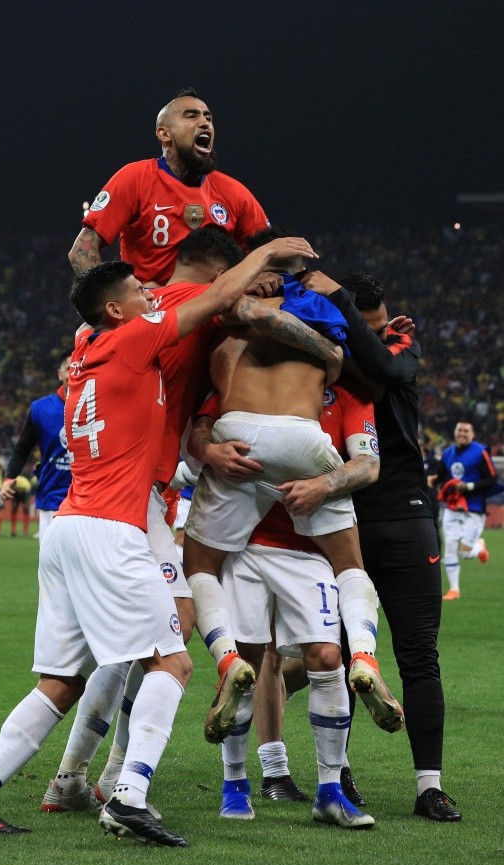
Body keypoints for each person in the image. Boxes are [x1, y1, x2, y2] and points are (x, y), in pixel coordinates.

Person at [0, 236, 319, 847]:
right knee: (171, 661)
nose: (153, 297)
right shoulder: (135, 337)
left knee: (61, 681)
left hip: (66, 526)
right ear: (118, 311)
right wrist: (267, 253)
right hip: (114, 526)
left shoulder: (86, 343)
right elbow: (220, 294)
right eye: (141, 294)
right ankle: (130, 795)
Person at [39, 227, 340, 817]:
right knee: (161, 634)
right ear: (222, 273)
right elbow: (246, 303)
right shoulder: (178, 306)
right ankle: (106, 778)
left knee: (132, 641)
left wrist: (200, 449)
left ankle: (81, 776)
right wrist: (333, 349)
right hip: (129, 498)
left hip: (116, 493)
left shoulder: (129, 318)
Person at [182, 239, 402, 746]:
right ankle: (365, 655)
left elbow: (238, 310)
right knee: (351, 567)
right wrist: (329, 351)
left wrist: (248, 279)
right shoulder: (328, 314)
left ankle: (226, 660)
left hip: (238, 431)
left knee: (199, 566)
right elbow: (358, 377)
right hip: (304, 437)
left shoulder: (229, 312)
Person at [301, 269, 462, 822]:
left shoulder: (393, 347)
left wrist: (343, 309)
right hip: (342, 520)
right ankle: (338, 774)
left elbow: (387, 367)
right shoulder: (323, 354)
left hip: (406, 516)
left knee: (419, 655)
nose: (364, 338)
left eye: (370, 328)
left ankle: (428, 786)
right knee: (341, 656)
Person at [189, 376, 380, 827]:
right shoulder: (244, 384)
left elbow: (367, 465)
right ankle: (234, 784)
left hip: (308, 550)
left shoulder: (348, 395)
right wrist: (210, 450)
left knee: (328, 655)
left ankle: (329, 791)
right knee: (247, 664)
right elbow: (201, 428)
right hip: (246, 547)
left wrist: (326, 485)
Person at [68, 88, 269, 285]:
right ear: (164, 134)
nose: (205, 123)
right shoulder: (135, 178)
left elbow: (271, 251)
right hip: (154, 309)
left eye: (208, 118)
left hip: (215, 305)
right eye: (192, 116)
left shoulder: (233, 191)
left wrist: (287, 274)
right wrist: (115, 300)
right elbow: (81, 252)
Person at [0, 350, 73, 540]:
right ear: (60, 373)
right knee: (51, 568)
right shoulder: (41, 409)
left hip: (90, 503)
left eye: (79, 367)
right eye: (69, 368)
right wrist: (8, 479)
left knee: (85, 569)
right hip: (52, 499)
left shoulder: (101, 405)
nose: (73, 373)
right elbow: (22, 449)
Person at [434, 421, 497, 601]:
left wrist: (468, 486)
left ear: (472, 434)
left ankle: (479, 547)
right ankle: (454, 590)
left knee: (465, 552)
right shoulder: (447, 454)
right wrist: (432, 479)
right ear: (455, 433)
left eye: (466, 431)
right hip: (452, 507)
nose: (462, 433)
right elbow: (441, 476)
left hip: (474, 508)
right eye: (459, 430)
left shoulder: (481, 451)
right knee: (451, 546)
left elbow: (492, 479)